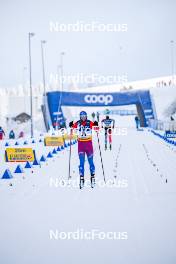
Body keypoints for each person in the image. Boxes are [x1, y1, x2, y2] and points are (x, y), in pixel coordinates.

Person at [69, 111, 98, 189]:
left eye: (84, 116)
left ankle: (93, 178)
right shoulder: (77, 123)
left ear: (86, 116)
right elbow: (72, 129)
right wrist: (71, 126)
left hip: (89, 146)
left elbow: (97, 129)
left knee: (91, 162)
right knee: (81, 163)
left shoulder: (90, 122)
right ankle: (82, 179)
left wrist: (96, 125)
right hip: (81, 146)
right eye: (81, 116)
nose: (83, 117)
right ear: (80, 116)